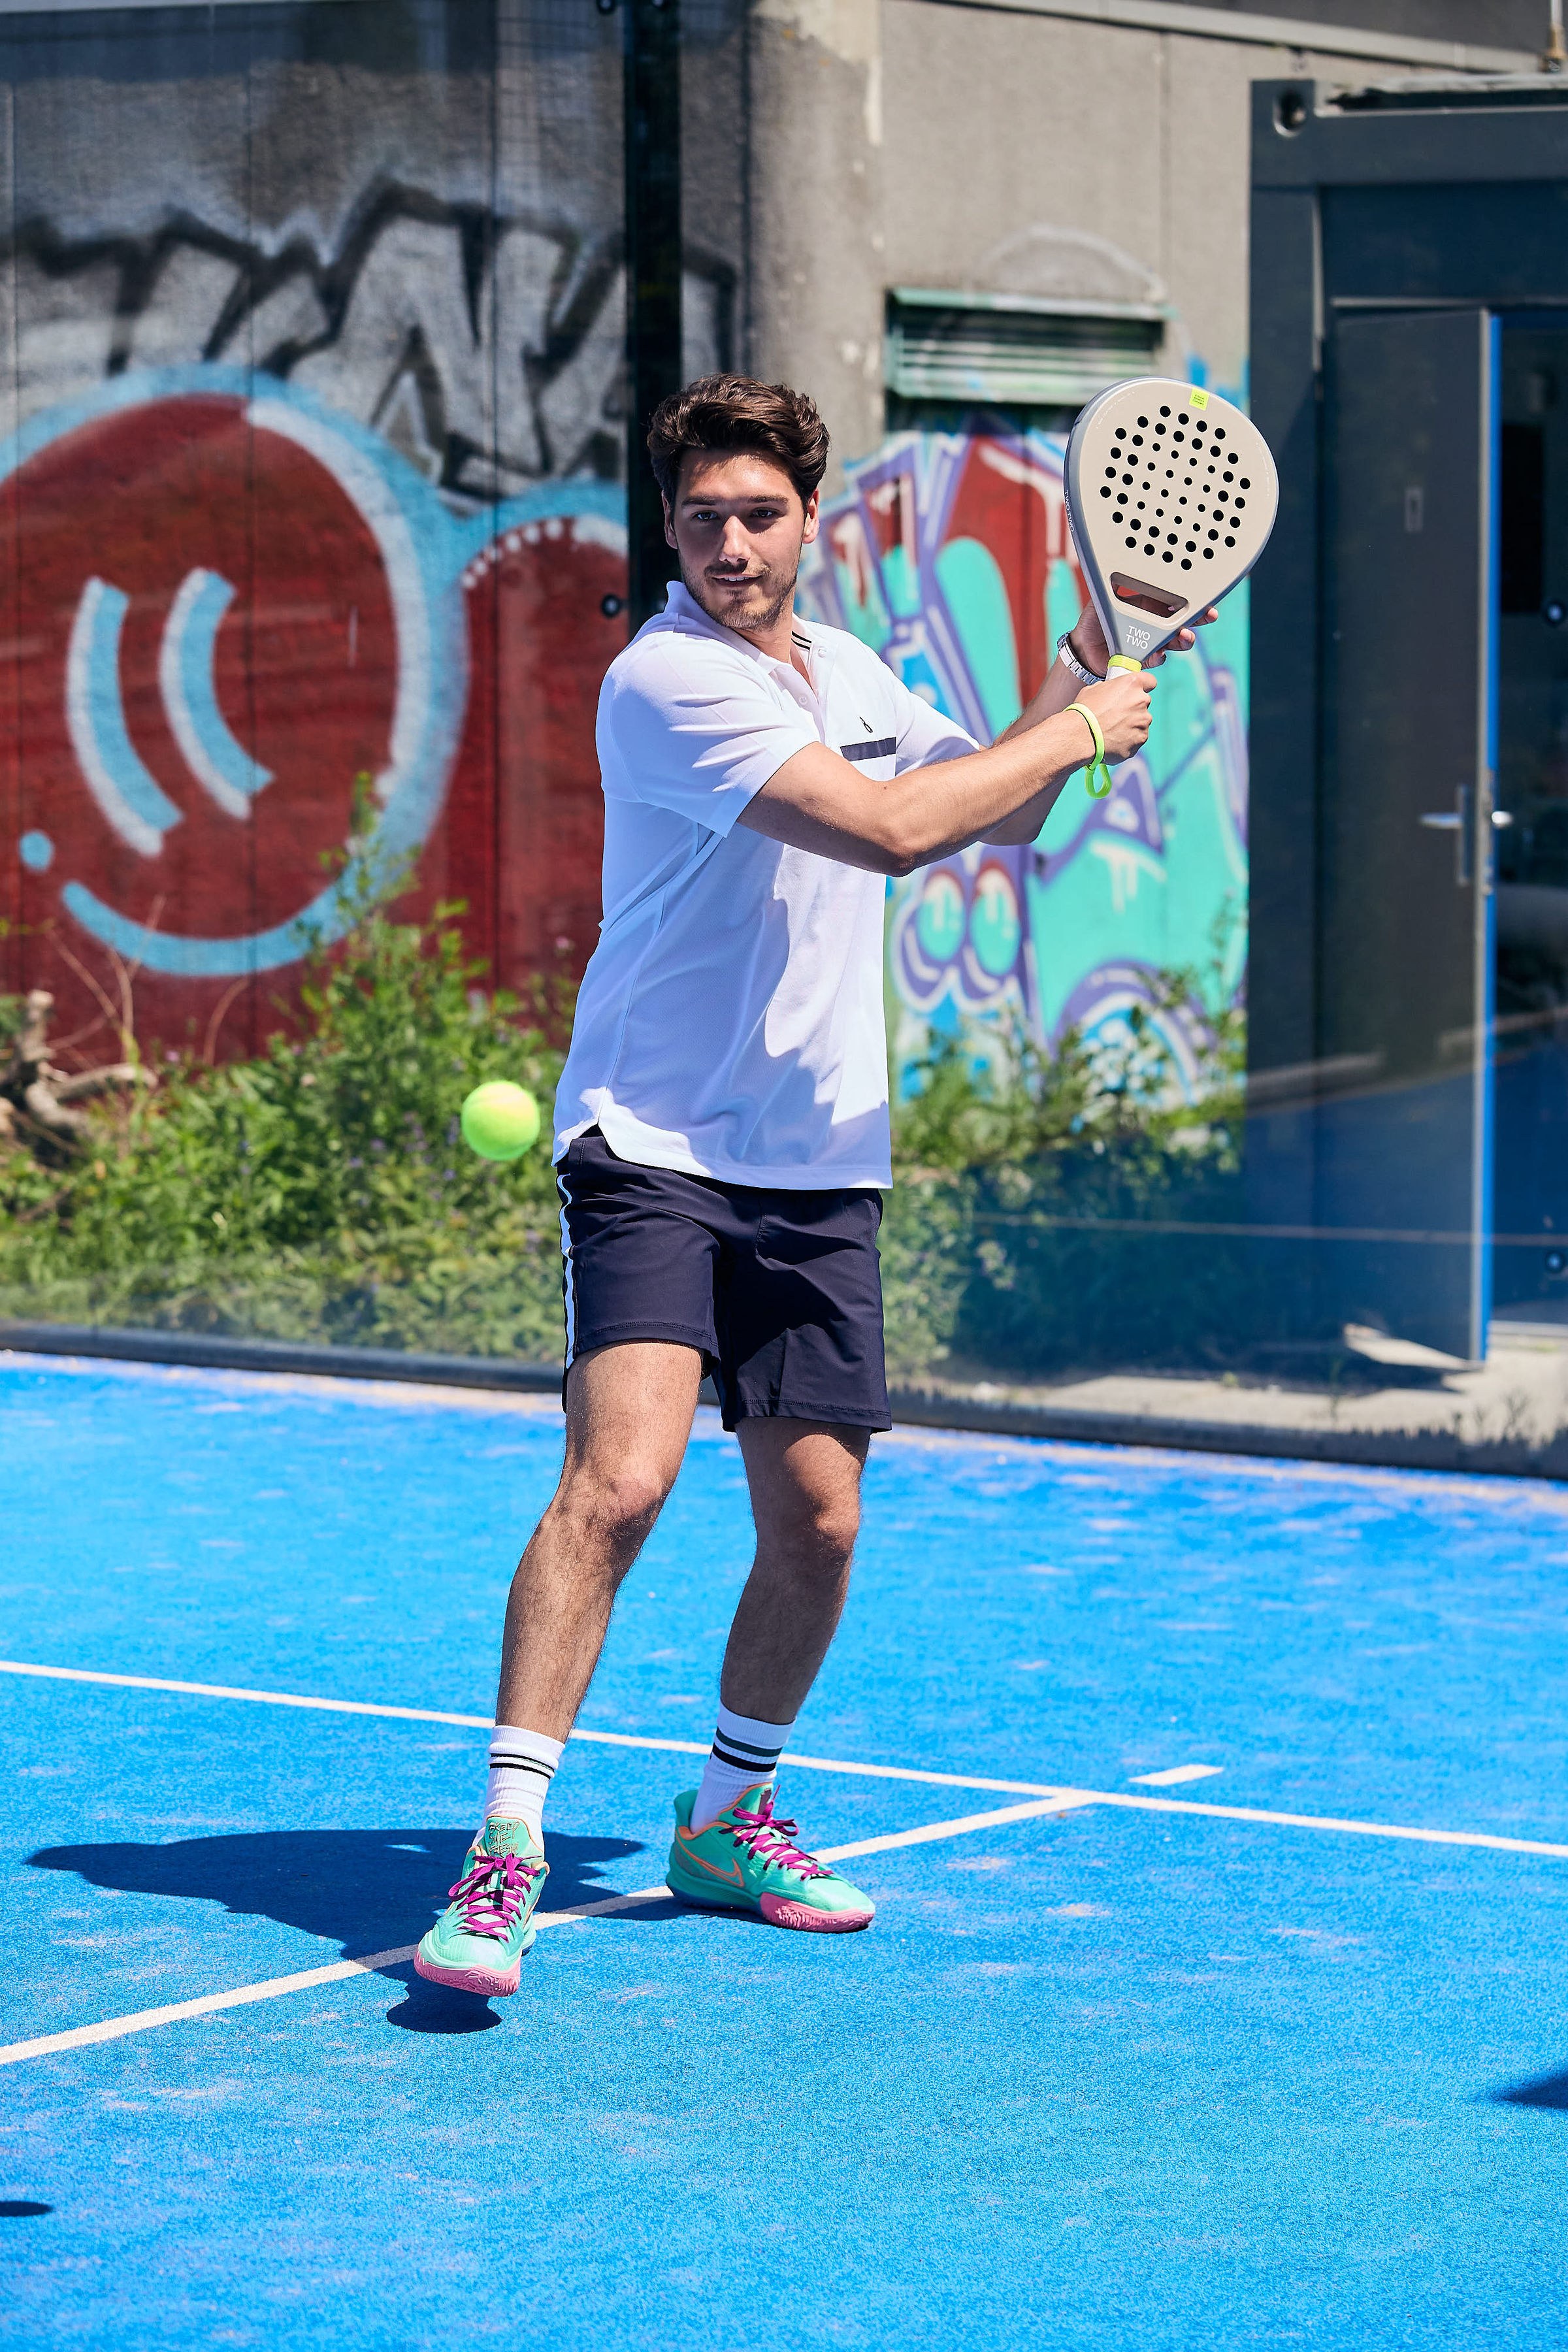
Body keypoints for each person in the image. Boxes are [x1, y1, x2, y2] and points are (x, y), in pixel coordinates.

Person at [416, 372, 1194, 1994]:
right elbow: (898, 830)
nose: (731, 544)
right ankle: (504, 1854)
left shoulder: (845, 670)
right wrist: (1080, 727)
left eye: (759, 515)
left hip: (820, 1159)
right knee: (622, 1483)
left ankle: (726, 1821)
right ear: (670, 528)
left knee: (822, 1524)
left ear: (809, 521)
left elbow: (1001, 810)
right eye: (702, 517)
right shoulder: (666, 681)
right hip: (654, 1143)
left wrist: (1083, 677)